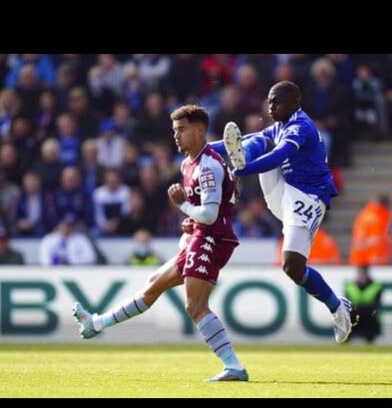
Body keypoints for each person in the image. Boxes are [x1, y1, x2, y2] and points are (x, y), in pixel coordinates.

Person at [72, 105, 248, 382]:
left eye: (182, 130)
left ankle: (233, 366)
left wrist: (184, 207)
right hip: (200, 236)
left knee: (195, 306)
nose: (176, 136)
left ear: (200, 130)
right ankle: (96, 323)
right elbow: (207, 209)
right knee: (153, 285)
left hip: (213, 239)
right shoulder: (188, 163)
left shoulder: (209, 165)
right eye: (174, 131)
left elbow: (210, 214)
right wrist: (191, 217)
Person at [210, 81, 355, 342]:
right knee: (255, 140)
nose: (270, 106)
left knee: (292, 267)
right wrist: (205, 149)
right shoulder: (279, 126)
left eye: (276, 101)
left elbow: (278, 157)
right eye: (268, 100)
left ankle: (337, 306)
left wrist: (241, 171)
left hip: (308, 197)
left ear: (295, 104)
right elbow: (242, 139)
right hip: (285, 192)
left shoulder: (302, 126)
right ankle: (240, 159)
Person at [345, 265, 382, 343]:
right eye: (359, 273)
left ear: (367, 274)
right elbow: (346, 305)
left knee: (372, 315)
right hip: (354, 317)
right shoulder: (350, 287)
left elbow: (375, 306)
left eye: (362, 273)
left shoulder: (376, 287)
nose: (360, 276)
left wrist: (357, 308)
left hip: (368, 319)